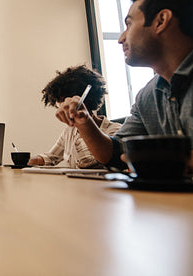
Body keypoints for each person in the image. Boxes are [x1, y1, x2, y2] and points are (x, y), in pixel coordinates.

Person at [56, 0, 193, 171]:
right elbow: (114, 154)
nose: (121, 38)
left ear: (161, 21)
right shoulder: (147, 96)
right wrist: (84, 122)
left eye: (129, 24)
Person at [28, 65, 122, 168]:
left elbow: (106, 159)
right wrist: (26, 160)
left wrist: (83, 122)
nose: (61, 106)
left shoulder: (115, 130)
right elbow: (51, 157)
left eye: (62, 100)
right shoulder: (69, 132)